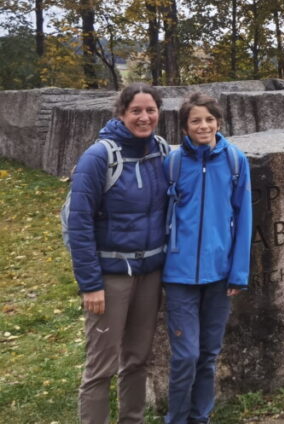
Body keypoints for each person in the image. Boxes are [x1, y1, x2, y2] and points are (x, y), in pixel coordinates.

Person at [66, 83, 169, 424]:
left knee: (137, 358)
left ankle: (132, 420)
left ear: (159, 112)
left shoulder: (162, 151)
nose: (144, 117)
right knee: (101, 366)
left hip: (150, 272)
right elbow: (79, 222)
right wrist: (90, 284)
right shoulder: (99, 157)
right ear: (122, 113)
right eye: (136, 111)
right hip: (111, 276)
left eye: (150, 110)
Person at [163, 92, 252, 424]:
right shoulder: (172, 162)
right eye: (195, 120)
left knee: (209, 355)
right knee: (185, 356)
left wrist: (238, 272)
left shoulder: (234, 160)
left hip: (219, 273)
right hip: (178, 275)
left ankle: (201, 418)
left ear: (219, 122)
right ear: (185, 126)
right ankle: (177, 418)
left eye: (209, 120)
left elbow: (244, 217)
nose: (203, 126)